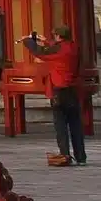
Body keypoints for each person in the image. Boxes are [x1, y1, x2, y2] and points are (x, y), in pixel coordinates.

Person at [23, 25, 86, 165]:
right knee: (76, 125)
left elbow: (40, 52)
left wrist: (28, 41)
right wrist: (45, 41)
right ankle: (81, 157)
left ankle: (65, 155)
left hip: (59, 89)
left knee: (61, 125)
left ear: (58, 36)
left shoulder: (58, 49)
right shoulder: (74, 47)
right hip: (73, 89)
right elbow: (56, 48)